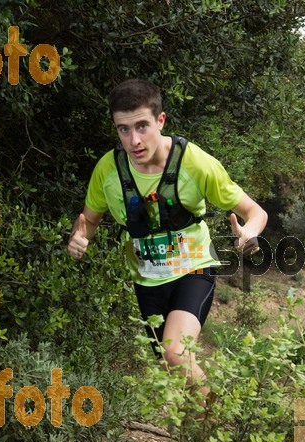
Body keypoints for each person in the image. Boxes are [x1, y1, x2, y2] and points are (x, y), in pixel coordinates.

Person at [67, 78, 267, 405]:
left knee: (174, 352)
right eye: (123, 130)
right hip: (147, 281)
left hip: (193, 270)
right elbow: (87, 221)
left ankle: (220, 423)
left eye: (143, 126)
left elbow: (253, 211)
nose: (134, 140)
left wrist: (250, 232)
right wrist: (78, 240)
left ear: (160, 120)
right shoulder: (108, 170)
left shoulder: (194, 162)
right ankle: (202, 435)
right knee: (170, 369)